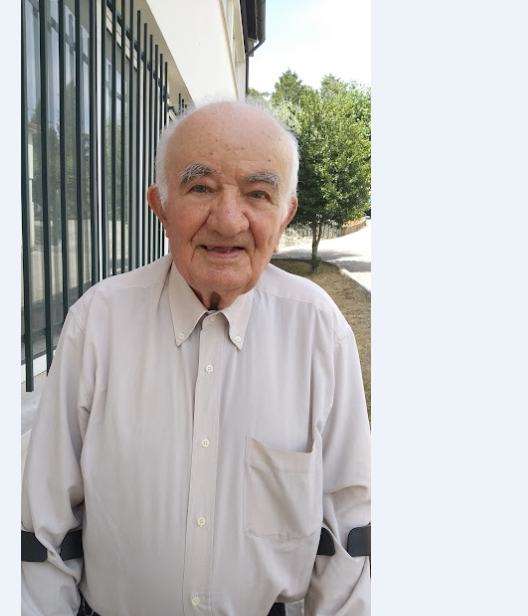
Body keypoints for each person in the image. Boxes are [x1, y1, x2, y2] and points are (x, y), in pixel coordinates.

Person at [21, 100, 370, 615]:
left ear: (285, 214)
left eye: (258, 193)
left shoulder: (320, 331)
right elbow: (44, 529)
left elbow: (349, 534)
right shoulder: (97, 323)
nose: (228, 221)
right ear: (159, 205)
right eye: (201, 187)